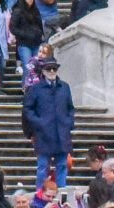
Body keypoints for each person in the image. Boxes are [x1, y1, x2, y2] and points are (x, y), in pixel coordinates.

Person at [22, 57, 75, 191]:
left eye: (54, 68)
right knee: (43, 166)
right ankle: (40, 193)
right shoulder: (36, 89)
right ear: (43, 71)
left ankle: (61, 193)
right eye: (48, 68)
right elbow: (27, 109)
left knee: (62, 165)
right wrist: (38, 122)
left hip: (62, 132)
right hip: (44, 134)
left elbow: (70, 107)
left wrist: (68, 122)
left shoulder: (64, 87)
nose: (52, 71)